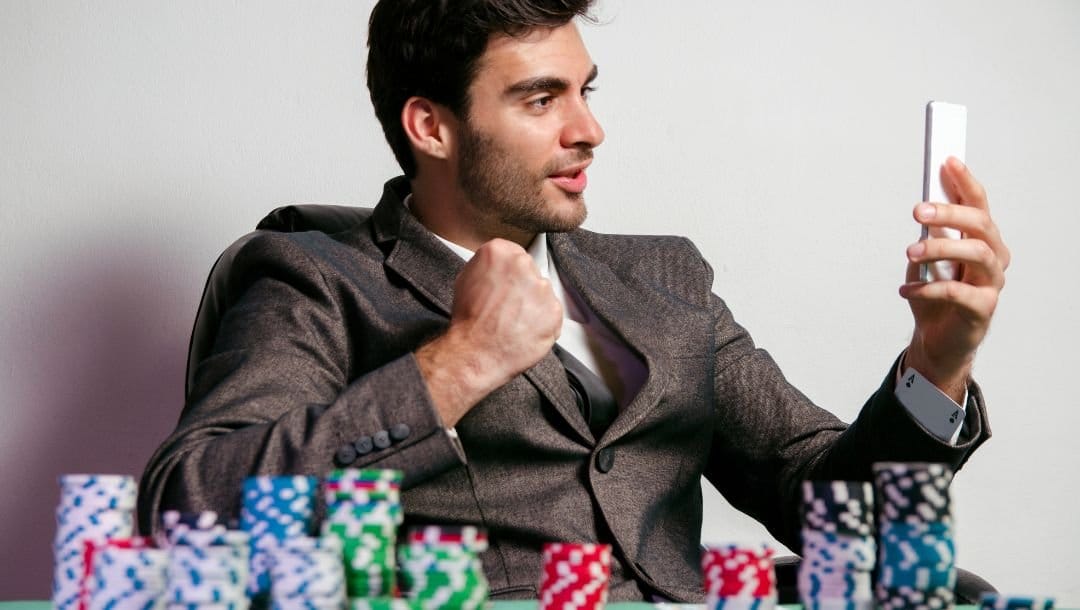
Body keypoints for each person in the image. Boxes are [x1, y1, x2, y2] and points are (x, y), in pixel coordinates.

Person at [138, 0, 1009, 602]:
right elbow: (186, 509)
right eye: (539, 97)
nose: (587, 129)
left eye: (583, 90)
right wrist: (452, 368)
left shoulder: (666, 281)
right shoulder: (313, 278)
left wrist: (939, 363)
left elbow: (838, 518)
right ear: (431, 126)